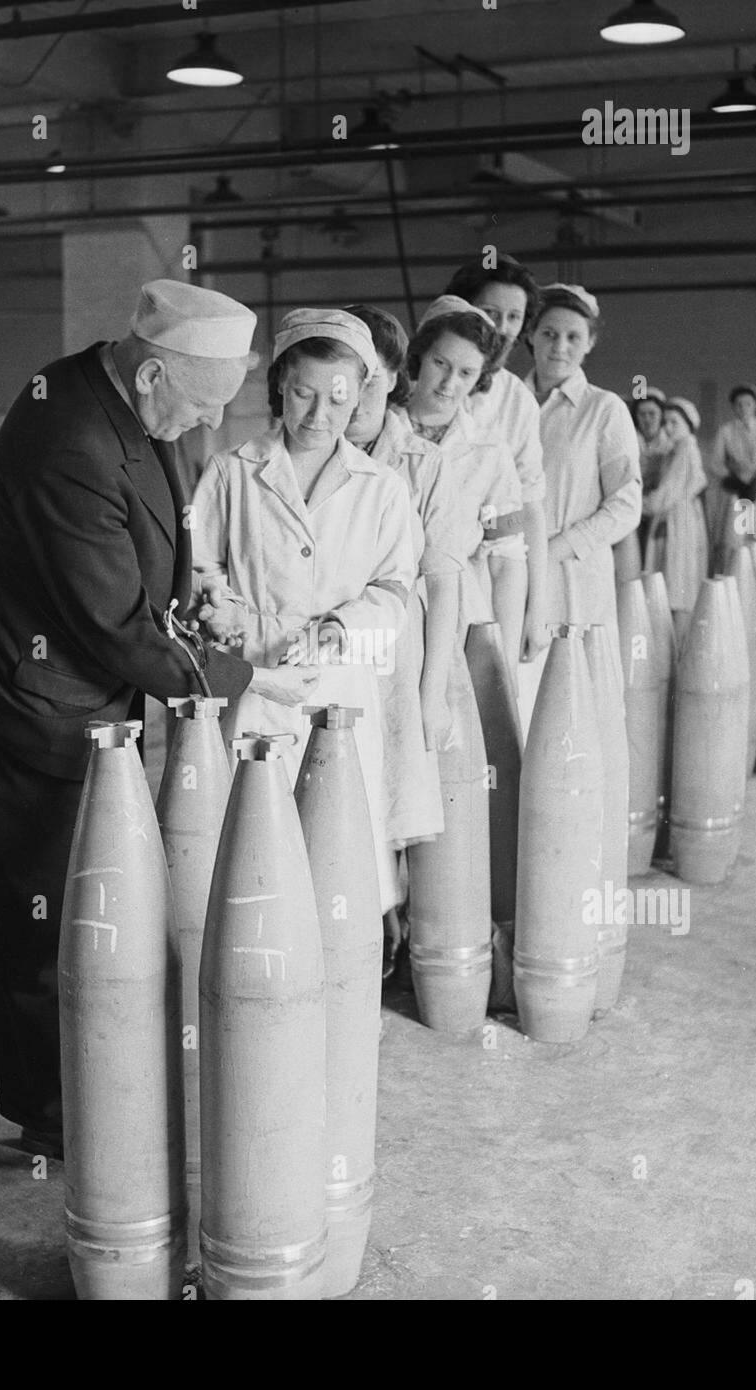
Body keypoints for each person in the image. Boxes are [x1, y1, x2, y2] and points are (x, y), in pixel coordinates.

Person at [0, 280, 301, 1158]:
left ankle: (79, 1073)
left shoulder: (132, 405)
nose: (201, 428)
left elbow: (160, 529)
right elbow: (111, 623)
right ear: (152, 376)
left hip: (90, 701)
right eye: (196, 408)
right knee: (46, 912)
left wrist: (200, 589)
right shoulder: (66, 440)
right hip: (40, 707)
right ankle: (50, 1114)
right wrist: (239, 678)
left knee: (93, 903)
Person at [190, 308, 416, 912]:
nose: (320, 416)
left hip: (339, 683)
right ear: (278, 388)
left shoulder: (382, 489)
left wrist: (340, 630)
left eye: (339, 400)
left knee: (335, 854)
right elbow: (199, 566)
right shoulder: (230, 472)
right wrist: (222, 608)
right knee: (251, 860)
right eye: (303, 395)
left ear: (363, 394)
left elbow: (396, 592)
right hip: (253, 677)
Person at [342, 303, 465, 974]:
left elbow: (443, 583)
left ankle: (382, 951)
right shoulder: (310, 451)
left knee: (385, 807)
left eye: (371, 379)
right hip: (327, 656)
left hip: (394, 660)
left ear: (394, 380)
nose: (354, 396)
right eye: (344, 378)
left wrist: (431, 694)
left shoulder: (424, 464)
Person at [520, 281, 641, 730]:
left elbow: (627, 505)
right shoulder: (506, 402)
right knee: (515, 698)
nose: (560, 346)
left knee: (573, 710)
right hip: (508, 572)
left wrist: (557, 546)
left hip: (572, 579)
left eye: (574, 336)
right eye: (549, 333)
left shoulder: (604, 410)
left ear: (589, 342)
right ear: (530, 334)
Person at [401, 295, 526, 674]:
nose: (449, 383)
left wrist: (504, 661)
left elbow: (505, 553)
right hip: (385, 607)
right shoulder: (379, 435)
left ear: (481, 377)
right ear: (420, 356)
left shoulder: (489, 452)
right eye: (441, 363)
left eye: (467, 373)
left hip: (460, 613)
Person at [443, 254, 549, 667]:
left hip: (488, 575)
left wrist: (535, 608)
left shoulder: (517, 401)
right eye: (490, 313)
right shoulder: (422, 384)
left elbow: (527, 509)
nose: (502, 329)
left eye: (514, 317)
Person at [642, 396, 708, 643]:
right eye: (666, 422)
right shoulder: (675, 449)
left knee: (677, 583)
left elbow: (667, 494)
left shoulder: (685, 449)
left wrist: (640, 505)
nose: (667, 427)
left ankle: (674, 647)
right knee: (673, 581)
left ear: (688, 424)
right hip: (676, 517)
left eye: (674, 421)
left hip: (678, 521)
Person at [708, 383, 756, 573]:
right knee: (735, 539)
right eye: (739, 404)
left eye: (748, 404)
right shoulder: (726, 431)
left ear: (755, 405)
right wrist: (733, 479)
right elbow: (715, 462)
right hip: (735, 491)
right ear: (733, 407)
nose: (743, 408)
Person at [630, 386, 670, 557]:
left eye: (652, 414)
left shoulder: (671, 442)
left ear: (661, 416)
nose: (647, 419)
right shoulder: (629, 439)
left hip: (661, 506)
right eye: (642, 414)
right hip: (633, 504)